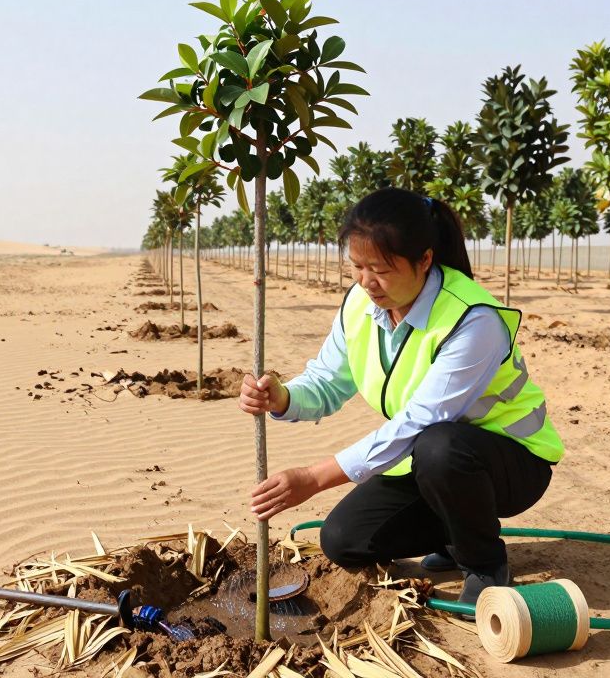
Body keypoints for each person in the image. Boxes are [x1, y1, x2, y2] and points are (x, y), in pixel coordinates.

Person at [239, 187, 563, 606]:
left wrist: (314, 478)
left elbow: (420, 422)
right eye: (356, 266)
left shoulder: (473, 319)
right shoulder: (361, 303)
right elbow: (326, 380)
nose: (366, 282)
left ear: (424, 260)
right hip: (430, 462)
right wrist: (281, 397)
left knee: (439, 446)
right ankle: (454, 530)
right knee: (343, 541)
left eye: (381, 269)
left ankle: (484, 564)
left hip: (512, 464)